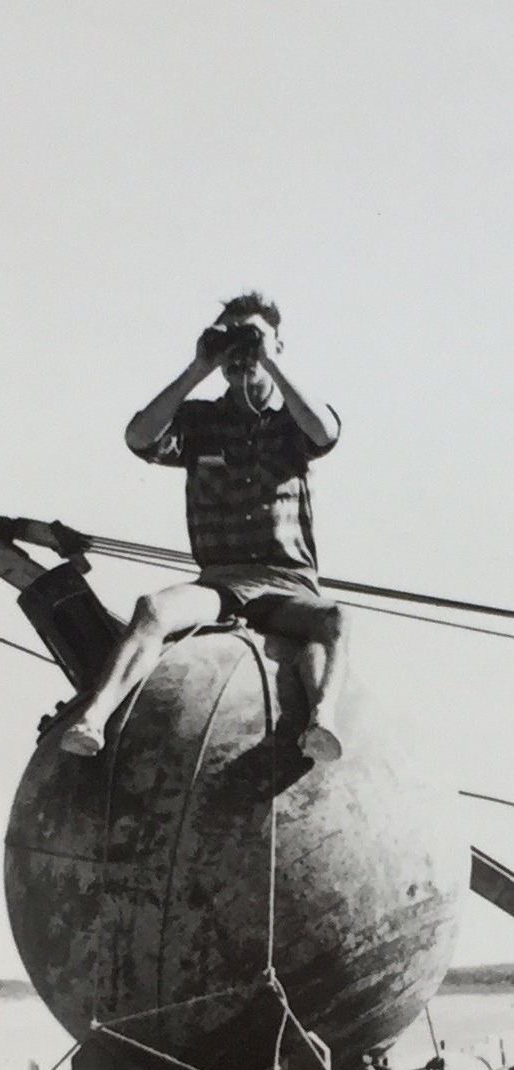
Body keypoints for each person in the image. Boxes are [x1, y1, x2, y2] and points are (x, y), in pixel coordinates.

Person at [60, 292, 347, 762]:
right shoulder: (200, 422)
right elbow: (139, 437)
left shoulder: (292, 420)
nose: (242, 354)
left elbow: (324, 432)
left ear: (278, 345)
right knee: (153, 610)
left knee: (334, 620)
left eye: (251, 339)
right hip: (221, 582)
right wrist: (200, 367)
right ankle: (95, 718)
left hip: (287, 584)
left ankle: (323, 723)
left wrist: (268, 363)